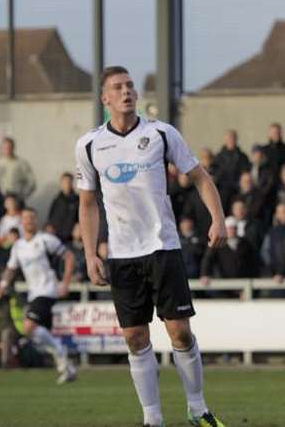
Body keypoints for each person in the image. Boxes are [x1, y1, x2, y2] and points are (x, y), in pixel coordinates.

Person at [75, 66, 227, 427]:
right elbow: (87, 203)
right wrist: (90, 253)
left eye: (130, 85)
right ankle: (152, 419)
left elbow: (200, 177)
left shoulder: (160, 133)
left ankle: (197, 410)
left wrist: (218, 218)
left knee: (180, 332)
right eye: (118, 87)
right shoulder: (90, 144)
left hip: (163, 248)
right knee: (135, 337)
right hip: (123, 255)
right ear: (105, 98)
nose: (126, 91)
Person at [0, 208, 77, 383]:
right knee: (36, 334)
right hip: (34, 294)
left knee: (28, 327)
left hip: (48, 290)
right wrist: (3, 284)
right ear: (21, 222)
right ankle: (66, 367)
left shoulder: (46, 240)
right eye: (25, 218)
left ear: (36, 221)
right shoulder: (18, 246)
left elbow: (69, 256)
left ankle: (62, 355)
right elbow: (11, 268)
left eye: (32, 218)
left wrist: (65, 282)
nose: (28, 221)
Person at [0, 137, 37, 201]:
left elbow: (32, 182)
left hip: (17, 199)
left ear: (13, 147)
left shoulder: (22, 163)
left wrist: (22, 195)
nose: (7, 149)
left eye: (9, 147)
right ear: (2, 149)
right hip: (0, 200)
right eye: (5, 147)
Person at [212, 129, 251, 209]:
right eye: (229, 138)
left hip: (238, 191)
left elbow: (246, 173)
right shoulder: (218, 158)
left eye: (233, 138)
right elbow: (214, 174)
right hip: (222, 191)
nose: (231, 140)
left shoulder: (243, 157)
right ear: (225, 140)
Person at [48, 172, 80, 243]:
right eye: (65, 182)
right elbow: (50, 217)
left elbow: (82, 218)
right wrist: (49, 226)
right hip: (56, 238)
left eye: (69, 182)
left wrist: (79, 226)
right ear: (61, 183)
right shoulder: (56, 200)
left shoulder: (78, 200)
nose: (67, 184)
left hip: (71, 240)